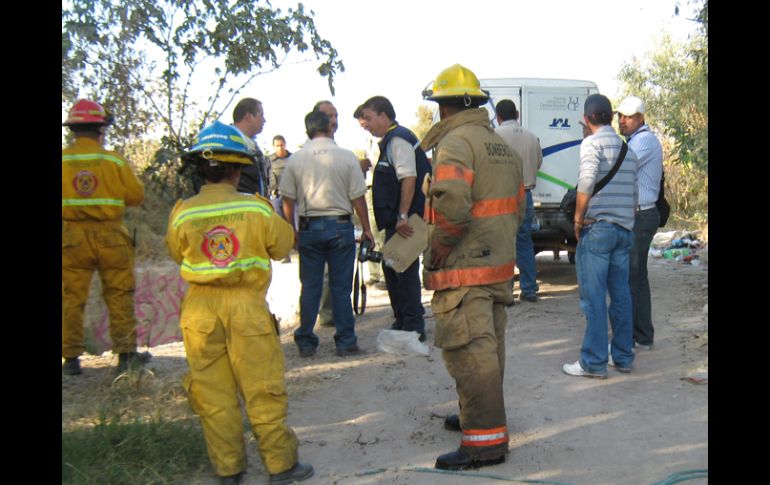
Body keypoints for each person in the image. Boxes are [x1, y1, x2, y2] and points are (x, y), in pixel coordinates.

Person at [165, 120, 314, 485]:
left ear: (200, 169)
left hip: (199, 312)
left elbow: (176, 253)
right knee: (262, 388)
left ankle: (229, 470)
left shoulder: (182, 212)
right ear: (237, 170)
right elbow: (283, 245)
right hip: (247, 309)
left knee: (213, 394)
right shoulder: (256, 209)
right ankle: (281, 466)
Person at [421, 64, 525, 470]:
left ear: (443, 107)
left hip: (466, 269)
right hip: (496, 267)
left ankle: (484, 443)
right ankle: (476, 414)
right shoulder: (500, 145)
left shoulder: (456, 144)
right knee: (490, 348)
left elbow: (452, 208)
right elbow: (517, 208)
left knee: (471, 353)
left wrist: (438, 251)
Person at [62, 99, 151, 375]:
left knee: (71, 296)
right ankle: (126, 356)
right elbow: (136, 196)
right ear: (101, 129)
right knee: (119, 294)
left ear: (73, 129)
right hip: (111, 236)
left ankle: (70, 359)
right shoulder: (113, 160)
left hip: (72, 237)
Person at [279, 110, 375, 357]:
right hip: (340, 227)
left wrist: (291, 229)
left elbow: (287, 200)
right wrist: (366, 228)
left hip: (309, 228)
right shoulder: (346, 157)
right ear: (330, 128)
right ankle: (346, 341)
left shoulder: (296, 160)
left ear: (307, 131)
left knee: (310, 286)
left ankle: (306, 340)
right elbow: (358, 197)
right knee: (340, 287)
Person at [562, 94, 639, 379]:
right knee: (621, 295)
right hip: (624, 231)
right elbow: (634, 195)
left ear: (586, 119)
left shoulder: (591, 144)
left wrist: (578, 219)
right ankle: (623, 357)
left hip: (598, 230)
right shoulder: (628, 150)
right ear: (611, 116)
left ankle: (593, 362)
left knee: (593, 298)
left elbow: (586, 182)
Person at [360, 95, 429, 342]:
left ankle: (413, 326)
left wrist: (402, 215)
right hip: (397, 221)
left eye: (368, 118)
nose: (365, 124)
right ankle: (402, 319)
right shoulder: (390, 140)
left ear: (384, 115)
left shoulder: (399, 139)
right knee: (392, 268)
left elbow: (408, 178)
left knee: (404, 270)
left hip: (406, 221)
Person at [617, 96, 663, 351]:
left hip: (642, 216)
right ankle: (642, 334)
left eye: (628, 117)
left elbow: (620, 166)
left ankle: (634, 337)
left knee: (631, 277)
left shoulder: (644, 141)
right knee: (636, 277)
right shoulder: (635, 141)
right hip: (640, 215)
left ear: (641, 118)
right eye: (620, 116)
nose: (622, 121)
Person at [494, 99, 543, 303]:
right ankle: (529, 289)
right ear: (517, 115)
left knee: (503, 244)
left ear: (498, 117)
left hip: (501, 195)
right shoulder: (531, 137)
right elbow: (538, 163)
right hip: (526, 195)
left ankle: (506, 291)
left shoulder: (493, 136)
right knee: (524, 242)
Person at [353, 104, 385, 288]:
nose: (363, 125)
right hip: (369, 187)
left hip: (379, 187)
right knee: (372, 231)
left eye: (365, 121)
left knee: (381, 232)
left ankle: (385, 275)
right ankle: (374, 272)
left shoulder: (384, 137)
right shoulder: (368, 138)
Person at [269, 135, 292, 263]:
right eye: (277, 146)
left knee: (295, 223)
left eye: (281, 145)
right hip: (277, 195)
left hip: (293, 196)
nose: (280, 148)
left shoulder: (292, 158)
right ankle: (285, 254)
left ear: (285, 144)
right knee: (280, 225)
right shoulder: (270, 160)